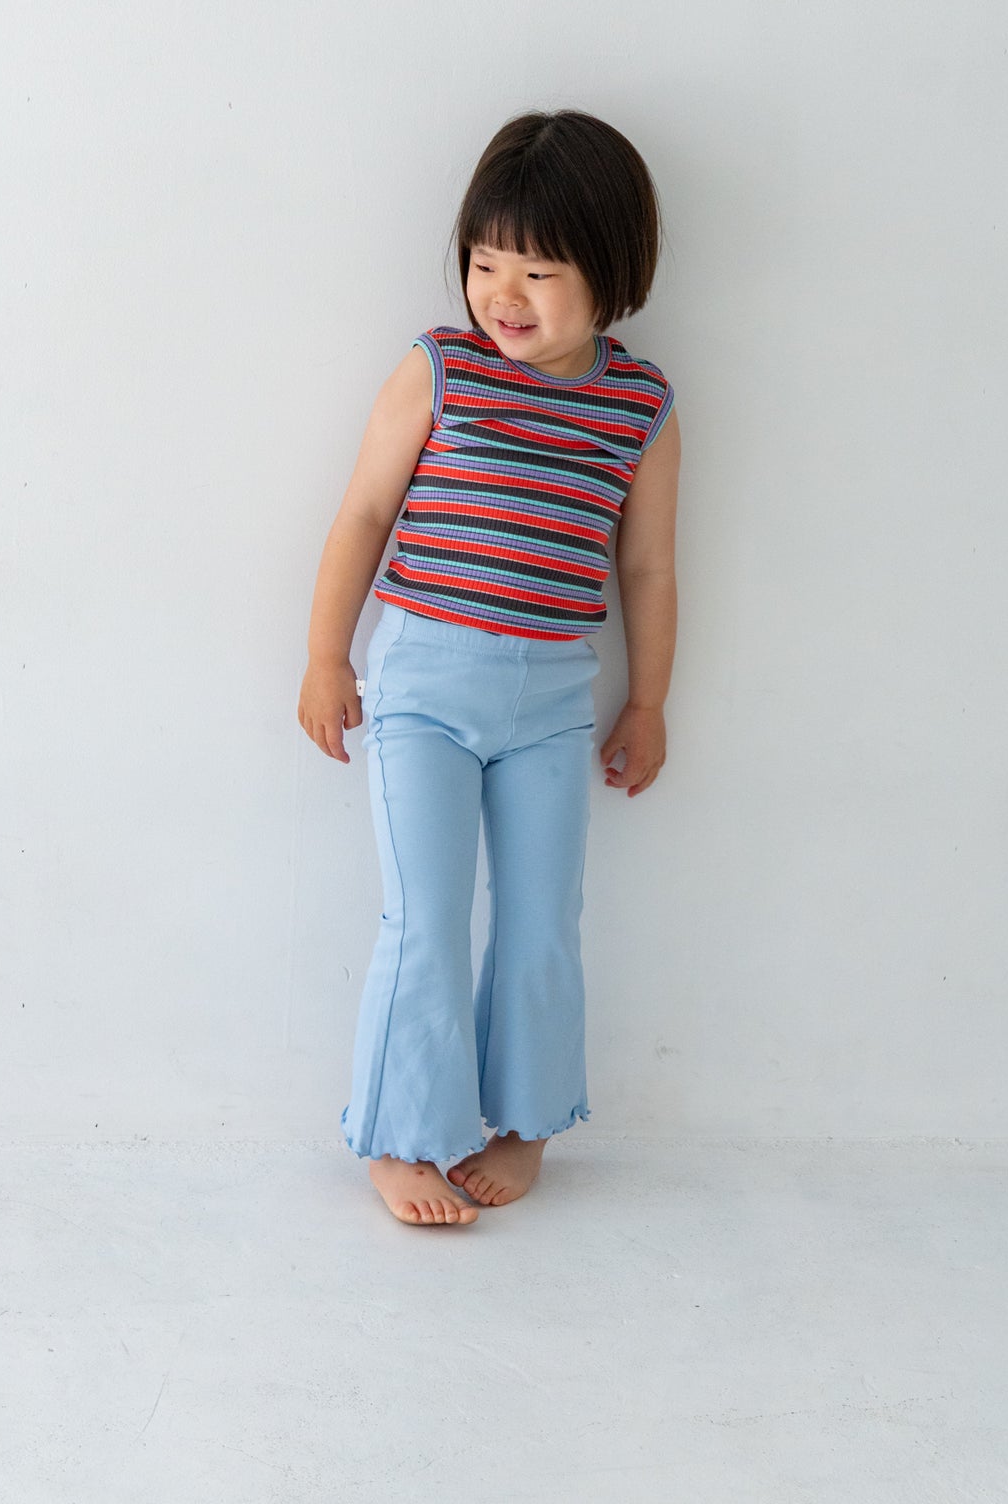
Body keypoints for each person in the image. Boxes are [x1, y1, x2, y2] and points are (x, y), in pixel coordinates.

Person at [297, 109, 680, 1228]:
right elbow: (362, 515)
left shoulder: (640, 406)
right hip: (422, 692)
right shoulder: (442, 369)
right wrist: (325, 657)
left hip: (553, 706)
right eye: (484, 262)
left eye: (540, 272)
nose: (503, 294)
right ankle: (400, 1135)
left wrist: (649, 700)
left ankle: (525, 1121)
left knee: (541, 924)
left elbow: (648, 567)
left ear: (613, 273)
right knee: (423, 920)